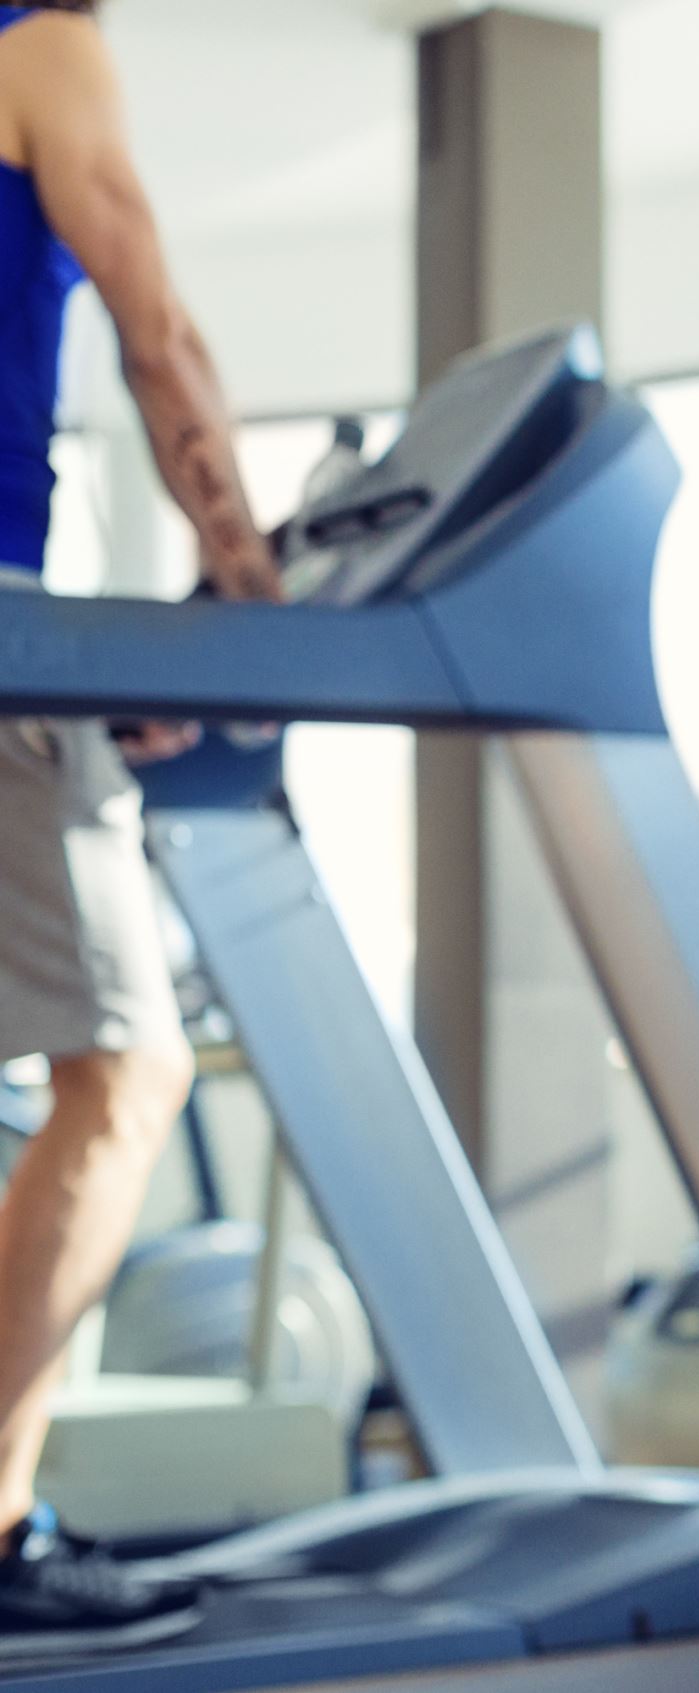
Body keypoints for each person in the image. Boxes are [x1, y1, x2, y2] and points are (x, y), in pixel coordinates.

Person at [0, 0, 281, 1646]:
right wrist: (244, 582)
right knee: (128, 1073)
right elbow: (153, 325)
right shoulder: (43, 35)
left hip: (34, 641)